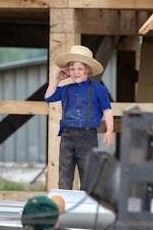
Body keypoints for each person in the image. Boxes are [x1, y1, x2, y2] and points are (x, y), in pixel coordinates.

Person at [45, 45, 114, 190]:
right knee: (65, 170)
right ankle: (64, 200)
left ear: (88, 70)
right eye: (72, 69)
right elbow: (48, 97)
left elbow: (107, 110)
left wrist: (109, 130)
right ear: (68, 71)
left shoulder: (99, 89)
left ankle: (87, 203)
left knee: (88, 171)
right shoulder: (65, 89)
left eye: (80, 69)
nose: (76, 72)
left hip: (87, 136)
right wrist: (56, 80)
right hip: (67, 135)